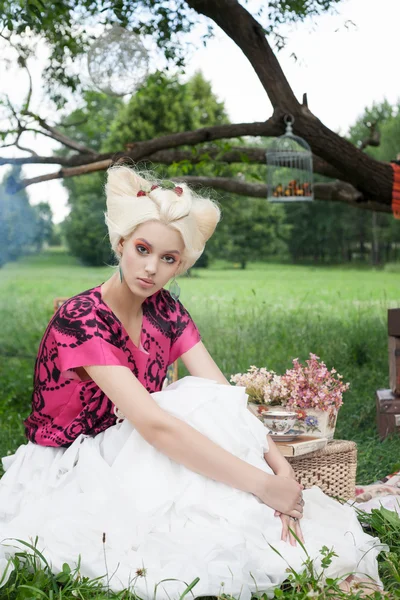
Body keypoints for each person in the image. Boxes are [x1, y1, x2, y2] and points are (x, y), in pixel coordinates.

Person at [0, 166, 385, 599]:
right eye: (142, 249)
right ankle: (262, 512)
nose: (151, 269)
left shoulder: (165, 309)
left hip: (129, 444)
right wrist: (260, 483)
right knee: (181, 417)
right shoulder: (81, 319)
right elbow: (155, 425)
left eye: (168, 259)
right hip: (70, 461)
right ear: (121, 242)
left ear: (180, 264)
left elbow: (225, 398)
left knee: (205, 401)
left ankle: (271, 513)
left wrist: (282, 472)